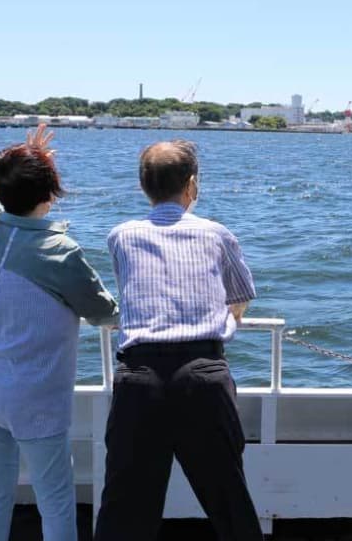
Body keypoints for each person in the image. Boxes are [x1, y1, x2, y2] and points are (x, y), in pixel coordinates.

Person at [94, 140, 262, 541]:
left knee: (125, 506)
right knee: (229, 499)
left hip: (139, 376)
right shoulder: (217, 234)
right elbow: (238, 301)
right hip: (203, 375)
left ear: (143, 186)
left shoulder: (121, 235)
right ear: (192, 185)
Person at [0, 124, 119, 541]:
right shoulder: (60, 252)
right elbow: (103, 312)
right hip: (33, 400)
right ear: (50, 196)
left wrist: (26, 158)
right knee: (55, 498)